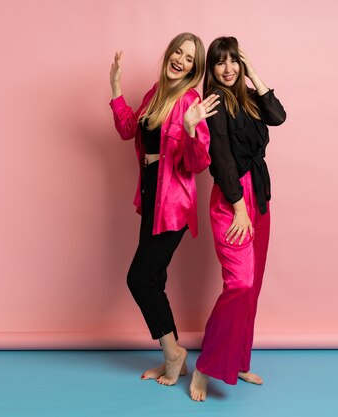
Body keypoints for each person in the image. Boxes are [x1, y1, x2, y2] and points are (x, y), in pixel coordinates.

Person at [109, 33, 220, 386]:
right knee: (154, 279)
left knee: (139, 278)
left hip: (173, 203)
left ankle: (174, 353)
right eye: (178, 52)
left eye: (189, 59)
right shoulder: (155, 93)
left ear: (194, 69)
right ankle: (173, 356)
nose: (181, 60)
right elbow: (129, 129)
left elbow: (197, 163)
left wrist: (192, 130)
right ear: (169, 54)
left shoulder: (190, 101)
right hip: (151, 194)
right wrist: (115, 88)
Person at [189, 36, 286, 401]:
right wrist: (239, 207)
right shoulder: (211, 103)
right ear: (211, 69)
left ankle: (238, 360)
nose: (228, 69)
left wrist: (256, 75)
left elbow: (278, 116)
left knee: (253, 287)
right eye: (220, 62)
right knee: (239, 284)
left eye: (234, 61)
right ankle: (206, 367)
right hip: (232, 200)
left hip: (259, 195)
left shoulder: (248, 98)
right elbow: (222, 159)